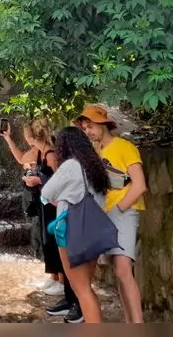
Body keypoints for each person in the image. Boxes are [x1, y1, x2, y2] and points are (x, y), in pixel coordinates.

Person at [0, 120, 82, 322]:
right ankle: (68, 297)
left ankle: (74, 300)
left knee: (59, 248)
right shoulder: (39, 152)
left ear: (30, 136)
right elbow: (22, 159)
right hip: (48, 205)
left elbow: (58, 182)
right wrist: (9, 139)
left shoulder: (51, 155)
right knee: (51, 245)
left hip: (57, 207)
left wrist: (38, 179)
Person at [74, 106, 147, 324]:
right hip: (105, 215)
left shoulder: (124, 147)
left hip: (123, 212)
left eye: (91, 126)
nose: (88, 131)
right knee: (119, 273)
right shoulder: (97, 152)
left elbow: (140, 185)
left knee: (124, 271)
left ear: (103, 124)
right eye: (85, 128)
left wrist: (119, 208)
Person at [40, 127, 110, 324]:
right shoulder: (96, 166)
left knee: (81, 289)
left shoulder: (70, 165)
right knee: (86, 287)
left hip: (73, 231)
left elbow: (46, 194)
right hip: (95, 230)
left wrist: (61, 198)